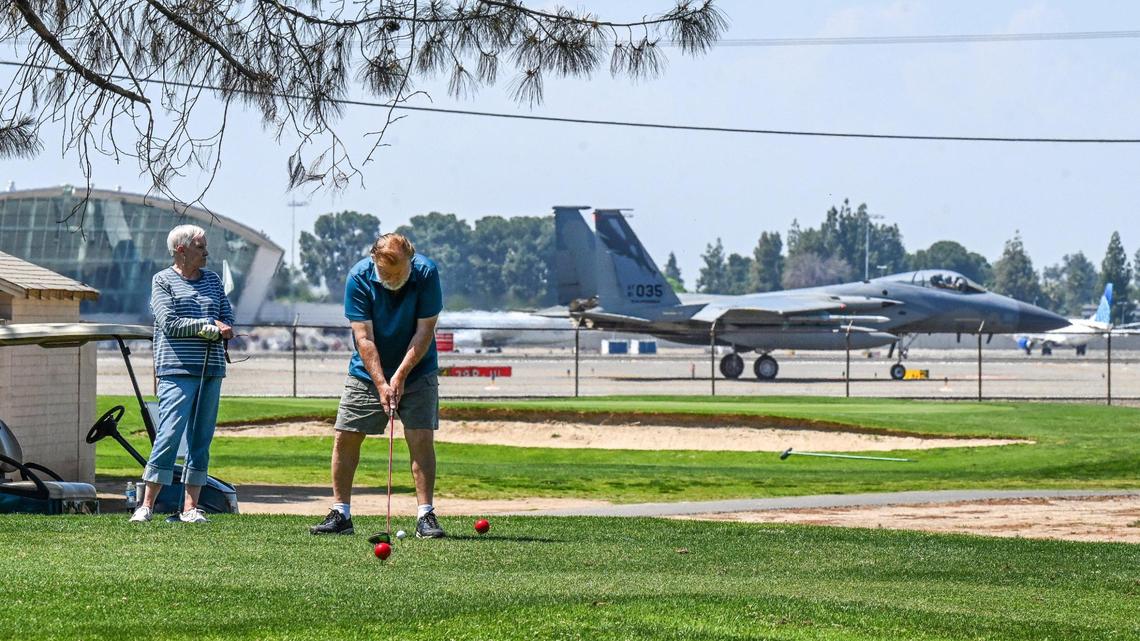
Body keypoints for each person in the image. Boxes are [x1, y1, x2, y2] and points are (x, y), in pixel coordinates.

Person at [310, 233, 445, 538]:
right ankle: (341, 514)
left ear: (411, 259)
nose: (393, 280)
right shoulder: (359, 277)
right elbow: (364, 338)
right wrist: (382, 383)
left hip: (418, 368)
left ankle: (426, 516)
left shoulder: (426, 273)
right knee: (345, 435)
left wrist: (399, 376)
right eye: (386, 274)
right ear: (374, 261)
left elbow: (424, 332)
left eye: (399, 273)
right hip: (366, 372)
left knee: (421, 438)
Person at [129, 224, 234, 524]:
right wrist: (209, 327)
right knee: (169, 434)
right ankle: (146, 505)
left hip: (211, 369)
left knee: (201, 439)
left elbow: (228, 316)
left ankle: (190, 508)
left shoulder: (213, 281)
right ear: (181, 249)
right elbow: (170, 323)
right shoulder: (162, 280)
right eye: (201, 247)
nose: (206, 252)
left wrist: (219, 325)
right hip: (176, 370)